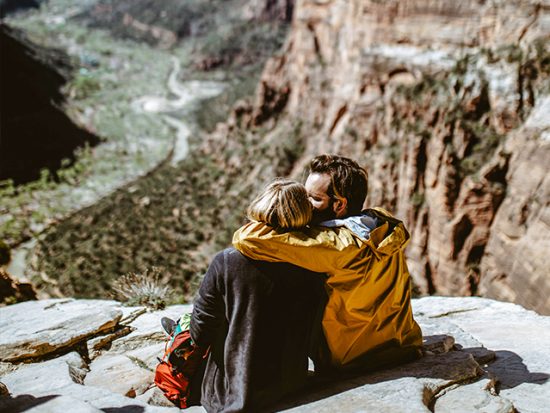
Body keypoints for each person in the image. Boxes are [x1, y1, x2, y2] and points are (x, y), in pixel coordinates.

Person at [233, 154, 423, 372]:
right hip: (400, 344)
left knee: (242, 264)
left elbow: (247, 238)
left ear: (339, 204)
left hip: (349, 357)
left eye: (314, 199)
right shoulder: (380, 221)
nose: (305, 204)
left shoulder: (335, 245)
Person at [190, 179, 327, 412]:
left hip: (231, 392)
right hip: (291, 384)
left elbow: (201, 332)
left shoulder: (228, 260)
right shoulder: (315, 263)